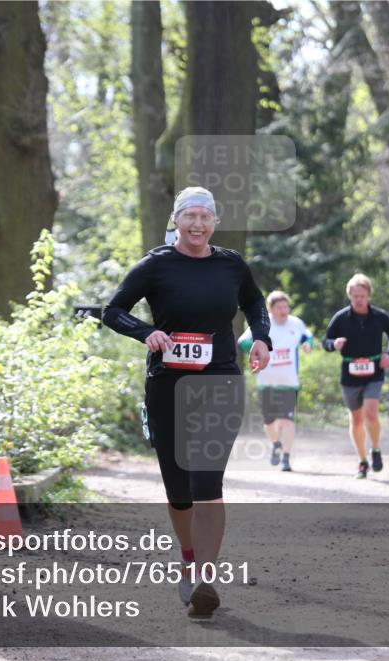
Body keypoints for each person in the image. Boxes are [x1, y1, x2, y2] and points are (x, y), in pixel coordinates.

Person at [102, 186, 271, 618]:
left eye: (205, 217)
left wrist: (261, 338)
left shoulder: (231, 264)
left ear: (215, 222)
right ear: (176, 220)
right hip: (168, 385)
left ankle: (205, 580)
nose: (197, 224)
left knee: (206, 483)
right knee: (179, 490)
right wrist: (147, 333)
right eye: (189, 216)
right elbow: (113, 310)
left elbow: (253, 301)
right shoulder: (156, 265)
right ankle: (189, 557)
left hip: (220, 381)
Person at [322, 274, 389, 479]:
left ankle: (375, 448)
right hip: (349, 374)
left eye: (362, 295)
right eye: (355, 295)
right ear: (350, 296)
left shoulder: (380, 316)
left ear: (369, 296)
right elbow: (325, 340)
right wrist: (333, 344)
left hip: (374, 371)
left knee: (371, 412)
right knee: (356, 420)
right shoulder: (341, 317)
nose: (359, 299)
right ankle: (362, 460)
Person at [238, 291, 313, 472]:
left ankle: (286, 458)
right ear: (271, 309)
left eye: (286, 306)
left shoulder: (296, 323)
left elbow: (308, 337)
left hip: (289, 382)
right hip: (266, 381)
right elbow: (242, 342)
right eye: (279, 307)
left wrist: (308, 344)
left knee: (288, 420)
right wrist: (257, 350)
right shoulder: (264, 324)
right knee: (269, 421)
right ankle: (275, 444)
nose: (284, 310)